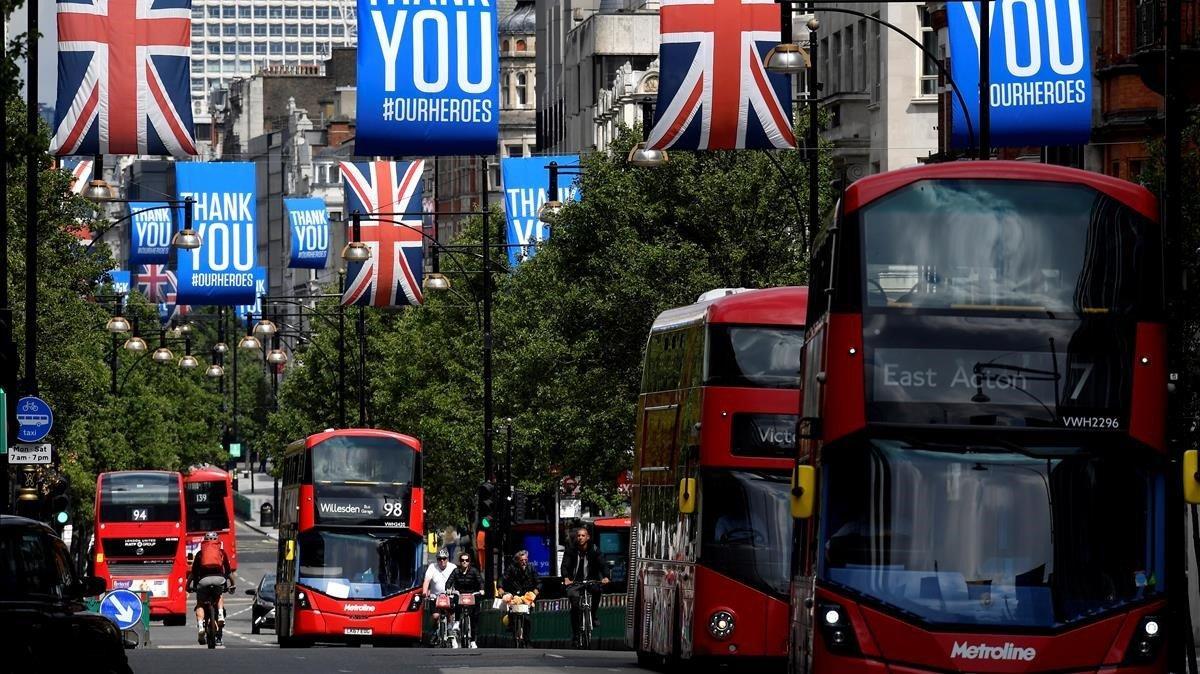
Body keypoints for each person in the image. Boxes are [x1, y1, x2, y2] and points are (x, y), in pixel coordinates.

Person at [561, 527, 609, 646]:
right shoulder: (571, 550)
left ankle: (592, 615)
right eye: (578, 536)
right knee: (575, 605)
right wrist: (566, 578)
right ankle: (576, 635)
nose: (580, 538)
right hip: (575, 582)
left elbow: (603, 564)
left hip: (591, 580)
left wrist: (606, 576)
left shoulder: (594, 549)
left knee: (597, 591)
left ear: (588, 537)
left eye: (583, 535)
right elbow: (565, 566)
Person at [188, 532, 233, 645]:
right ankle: (221, 614)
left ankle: (200, 626)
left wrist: (187, 586)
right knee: (219, 595)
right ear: (217, 541)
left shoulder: (200, 554)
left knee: (200, 604)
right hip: (219, 580)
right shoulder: (221, 552)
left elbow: (193, 574)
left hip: (203, 582)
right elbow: (228, 572)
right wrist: (232, 584)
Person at [499, 550, 541, 644]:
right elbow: (503, 578)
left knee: (527, 617)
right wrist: (501, 590)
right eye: (521, 560)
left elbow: (539, 582)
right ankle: (512, 627)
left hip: (527, 596)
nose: (524, 562)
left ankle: (527, 639)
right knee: (511, 611)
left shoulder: (531, 568)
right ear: (518, 560)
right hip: (515, 594)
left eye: (525, 560)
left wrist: (535, 592)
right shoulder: (511, 568)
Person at [445, 552, 483, 648]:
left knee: (474, 617)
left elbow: (480, 581)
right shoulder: (456, 571)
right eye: (462, 560)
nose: (464, 562)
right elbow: (449, 581)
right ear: (460, 562)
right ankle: (457, 622)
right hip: (460, 594)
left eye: (466, 560)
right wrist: (448, 589)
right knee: (456, 598)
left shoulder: (474, 571)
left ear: (469, 562)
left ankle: (473, 640)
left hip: (472, 594)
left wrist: (481, 590)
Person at [421, 549, 455, 642]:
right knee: (435, 616)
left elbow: (457, 580)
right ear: (437, 559)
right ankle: (434, 630)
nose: (442, 561)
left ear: (447, 559)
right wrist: (424, 592)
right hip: (435, 596)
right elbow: (427, 581)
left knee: (450, 613)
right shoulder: (432, 567)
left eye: (444, 559)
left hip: (449, 596)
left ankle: (450, 628)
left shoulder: (453, 567)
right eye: (439, 559)